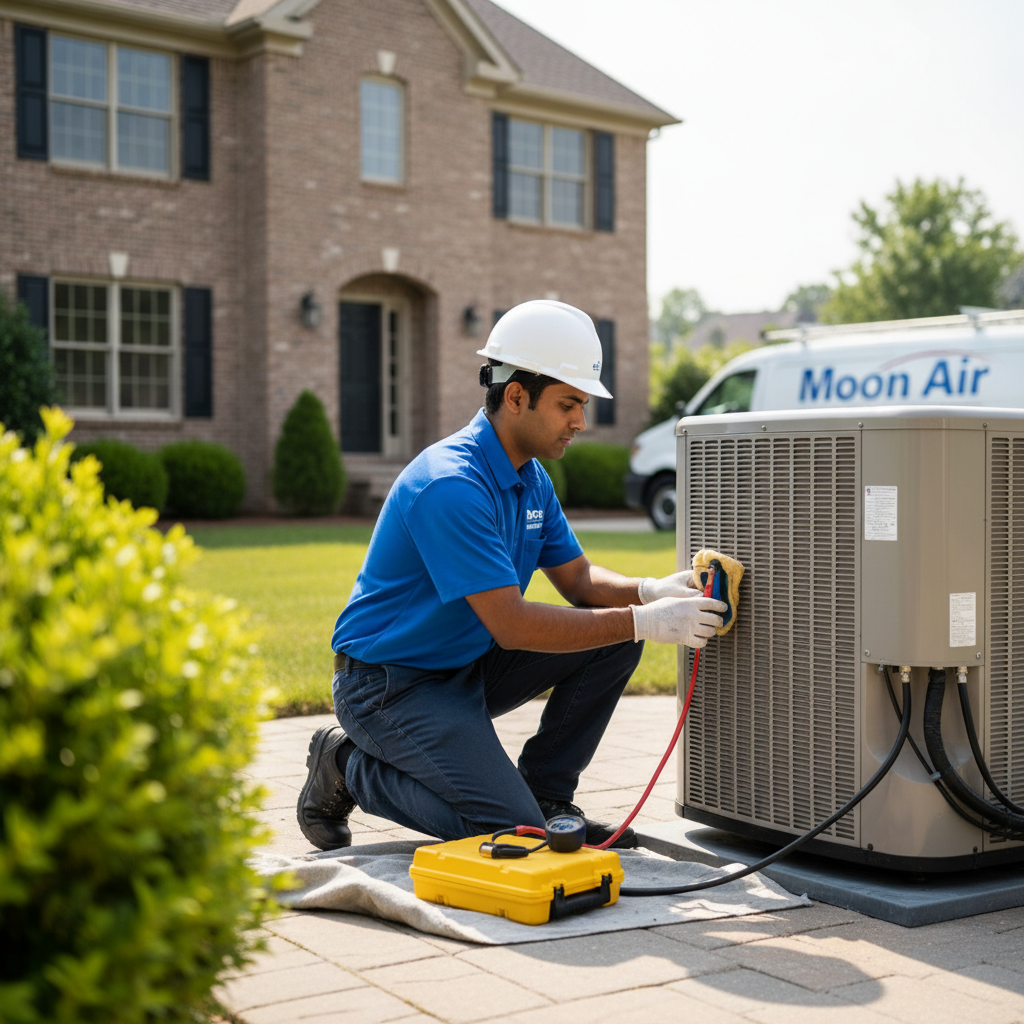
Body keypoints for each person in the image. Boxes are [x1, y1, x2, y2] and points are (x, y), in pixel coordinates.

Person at [297, 299, 727, 851]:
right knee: (511, 834)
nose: (581, 420)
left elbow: (579, 581)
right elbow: (514, 626)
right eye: (569, 403)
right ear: (517, 396)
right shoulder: (450, 483)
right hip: (388, 685)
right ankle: (344, 762)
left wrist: (649, 590)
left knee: (612, 639)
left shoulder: (530, 479)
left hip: (465, 665)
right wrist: (645, 620)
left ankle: (547, 796)